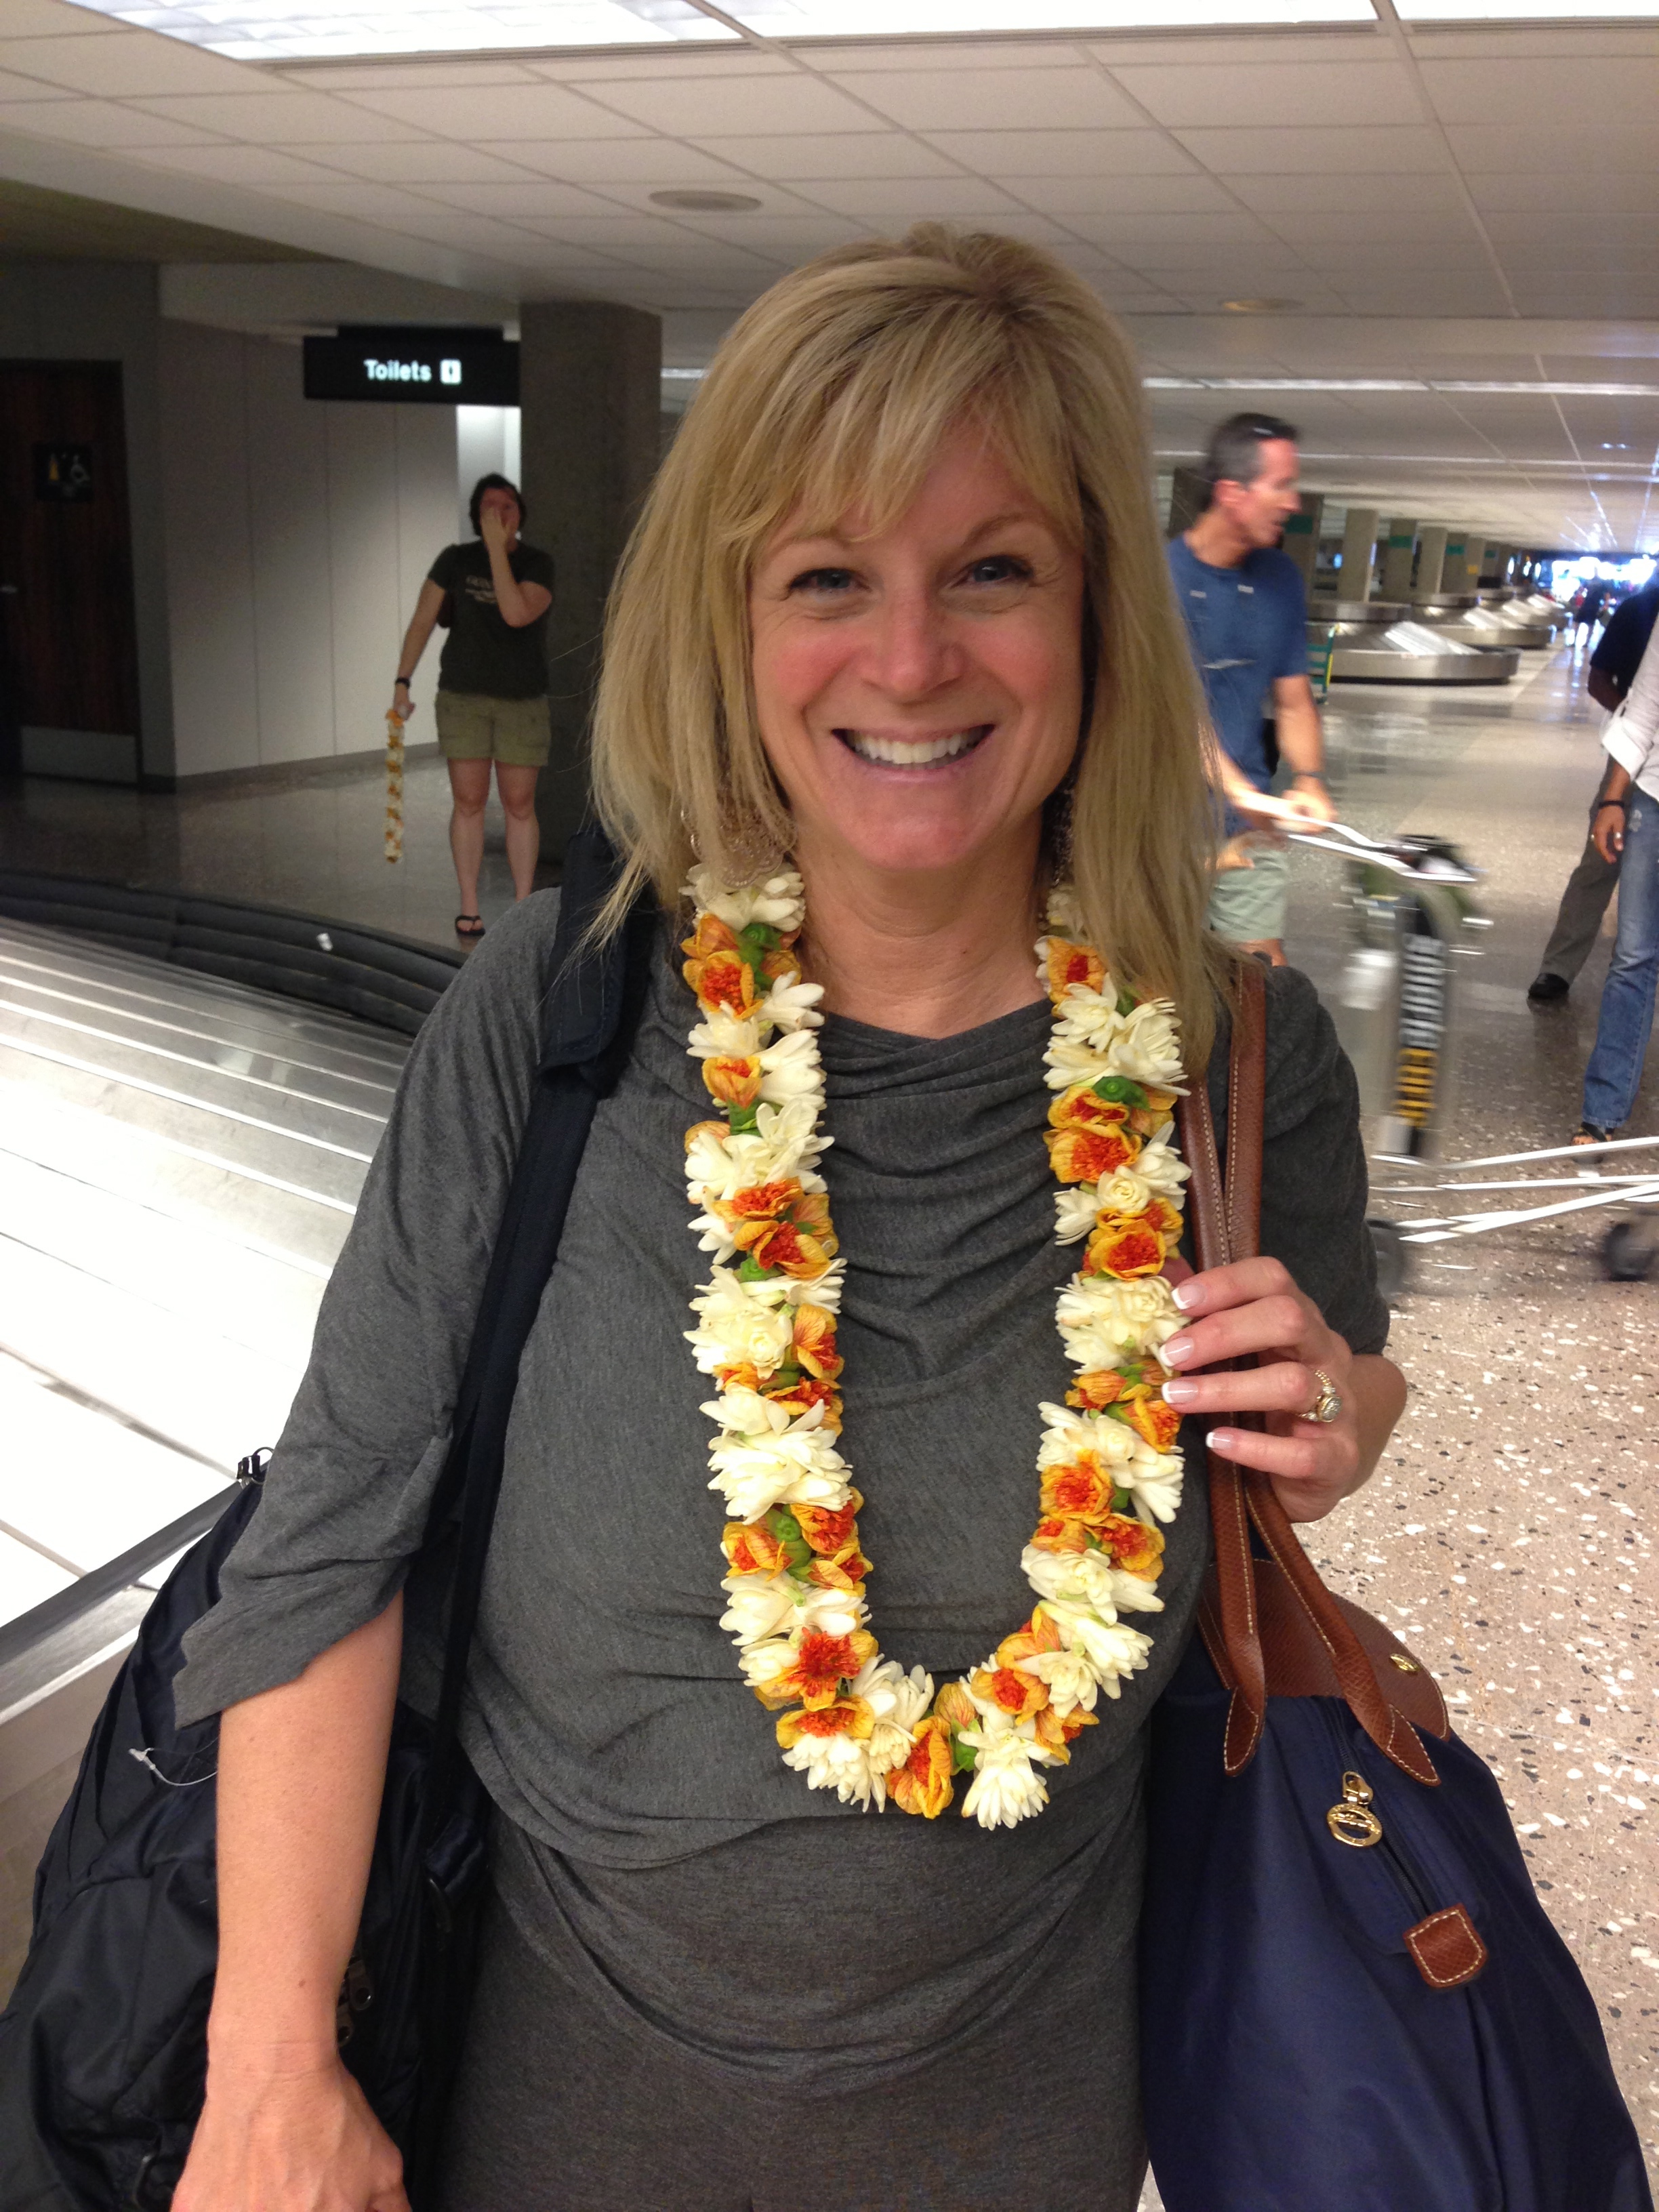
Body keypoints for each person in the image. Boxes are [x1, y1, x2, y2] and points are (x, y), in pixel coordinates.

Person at [171, 228, 1404, 2212]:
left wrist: (1338, 1412)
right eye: (828, 577)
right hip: (543, 2106)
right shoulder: (558, 1016)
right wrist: (270, 2067)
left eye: (990, 570)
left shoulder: (1229, 1056)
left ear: (1097, 609)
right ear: (729, 623)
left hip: (1020, 2119)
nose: (908, 661)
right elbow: (330, 1538)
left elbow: (1342, 1384)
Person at [1167, 413, 1336, 964]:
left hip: (1247, 825)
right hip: (1158, 828)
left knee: (1261, 981)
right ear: (1231, 493)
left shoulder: (1279, 578)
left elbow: (1294, 702)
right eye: (1281, 486)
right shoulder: (1157, 581)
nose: (1294, 502)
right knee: (1156, 985)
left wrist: (1309, 779)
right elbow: (1173, 714)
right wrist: (1239, 791)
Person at [392, 473, 554, 941]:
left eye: (508, 506)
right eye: (489, 508)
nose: (499, 515)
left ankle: (522, 907)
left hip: (522, 700)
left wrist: (498, 552)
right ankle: (469, 905)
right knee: (468, 803)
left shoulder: (538, 563)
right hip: (463, 697)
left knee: (519, 804)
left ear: (520, 513)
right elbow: (423, 620)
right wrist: (402, 681)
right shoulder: (455, 560)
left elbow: (516, 613)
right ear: (475, 517)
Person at [1530, 579, 1659, 1004]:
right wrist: (1632, 721)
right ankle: (1558, 967)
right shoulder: (1640, 610)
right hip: (1633, 759)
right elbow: (1598, 678)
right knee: (1600, 863)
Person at [1577, 615, 1659, 1143]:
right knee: (1633, 957)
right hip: (1655, 799)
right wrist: (1613, 798)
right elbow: (1644, 707)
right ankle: (1602, 1112)